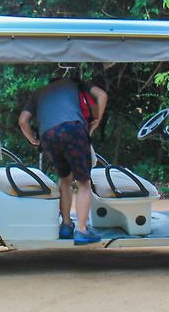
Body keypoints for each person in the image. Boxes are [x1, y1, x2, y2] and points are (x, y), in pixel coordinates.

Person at [19, 66, 108, 244]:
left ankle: (66, 226)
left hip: (48, 136)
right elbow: (102, 96)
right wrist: (97, 121)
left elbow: (22, 120)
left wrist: (33, 140)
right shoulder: (75, 83)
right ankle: (82, 230)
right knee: (84, 183)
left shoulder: (39, 93)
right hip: (73, 129)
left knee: (65, 180)